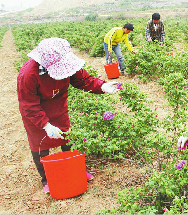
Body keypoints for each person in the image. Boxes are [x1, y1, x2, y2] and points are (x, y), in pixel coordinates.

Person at [17, 37, 121, 194]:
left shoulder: (66, 61)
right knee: (40, 145)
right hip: (36, 113)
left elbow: (83, 80)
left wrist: (103, 86)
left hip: (58, 105)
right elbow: (29, 105)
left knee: (67, 137)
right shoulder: (28, 75)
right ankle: (47, 179)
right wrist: (45, 124)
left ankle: (77, 169)